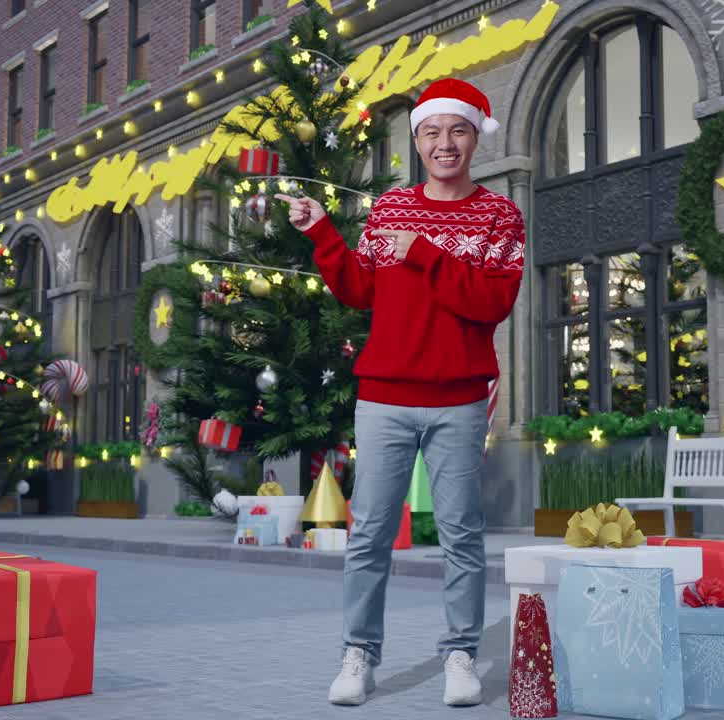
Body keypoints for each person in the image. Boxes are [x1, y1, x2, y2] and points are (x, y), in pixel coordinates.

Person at [277, 78, 525, 708]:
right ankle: (357, 655)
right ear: (417, 141)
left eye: (458, 130)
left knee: (462, 533)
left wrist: (426, 254)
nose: (445, 143)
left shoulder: (500, 217)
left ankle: (462, 656)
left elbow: (493, 303)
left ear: (475, 136)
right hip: (384, 395)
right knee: (369, 533)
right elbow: (363, 290)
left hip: (459, 398)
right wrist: (323, 233)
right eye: (432, 132)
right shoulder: (390, 209)